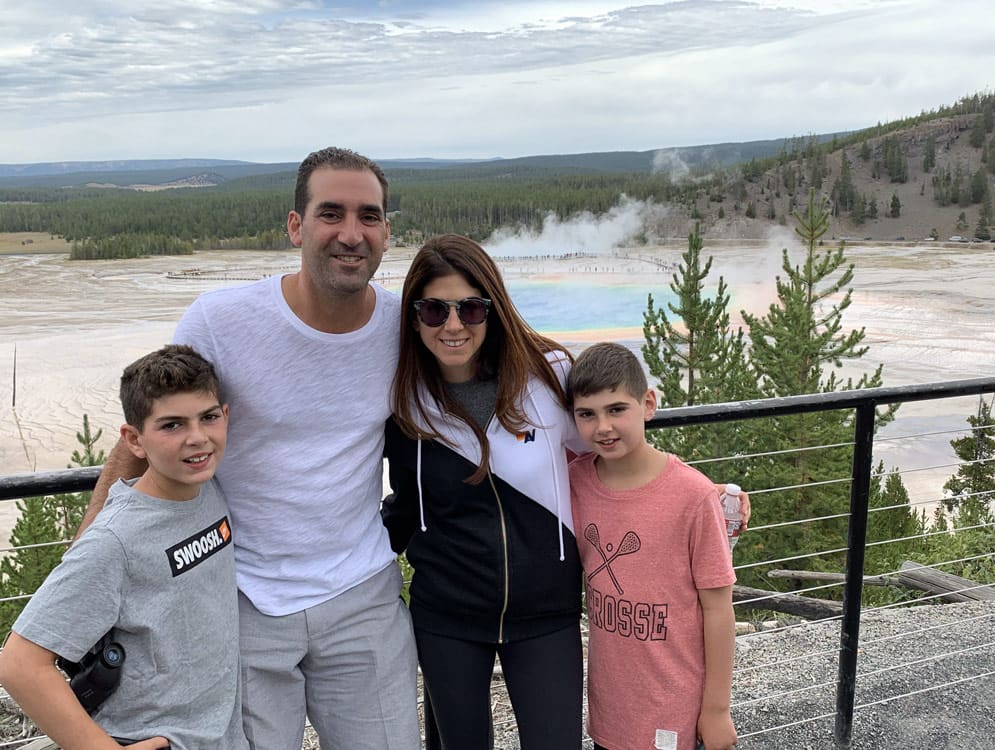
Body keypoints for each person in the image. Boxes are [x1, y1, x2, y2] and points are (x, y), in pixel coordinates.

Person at [77, 148, 420, 750]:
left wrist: (604, 387)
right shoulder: (221, 321)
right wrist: (87, 562)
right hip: (240, 600)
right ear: (295, 225)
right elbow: (150, 433)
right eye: (330, 213)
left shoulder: (404, 329)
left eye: (369, 216)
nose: (350, 233)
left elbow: (495, 359)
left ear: (388, 230)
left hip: (363, 596)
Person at [382, 234, 587, 749]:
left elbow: (611, 452)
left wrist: (690, 489)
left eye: (471, 309)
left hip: (547, 613)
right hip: (447, 617)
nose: (453, 325)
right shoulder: (401, 398)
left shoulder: (550, 374)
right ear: (413, 317)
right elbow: (402, 504)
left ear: (492, 309)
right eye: (434, 310)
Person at [0, 344, 247, 750]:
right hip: (151, 736)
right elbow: (20, 663)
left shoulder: (209, 490)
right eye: (172, 425)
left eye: (208, 417)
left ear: (226, 416)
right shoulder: (115, 540)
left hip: (220, 734)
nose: (197, 438)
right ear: (134, 439)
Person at [566, 342, 739, 750]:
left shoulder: (693, 497)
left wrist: (715, 709)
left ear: (648, 404)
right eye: (586, 415)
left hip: (673, 711)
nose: (602, 427)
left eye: (616, 410)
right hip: (611, 713)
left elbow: (718, 608)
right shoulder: (573, 482)